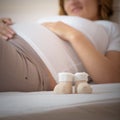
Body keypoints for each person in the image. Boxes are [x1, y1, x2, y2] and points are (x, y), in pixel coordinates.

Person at [0, 0, 120, 92]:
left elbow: (112, 77)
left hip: (31, 63)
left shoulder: (111, 28)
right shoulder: (56, 18)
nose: (72, 1)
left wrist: (73, 35)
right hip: (8, 40)